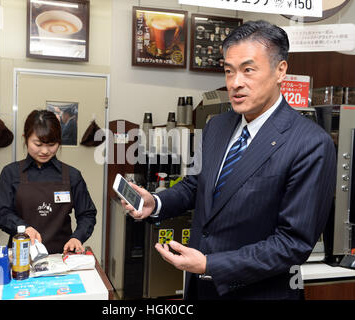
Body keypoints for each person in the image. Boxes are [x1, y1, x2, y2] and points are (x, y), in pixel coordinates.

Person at [122, 20, 337, 300]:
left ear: (280, 70)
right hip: (201, 289)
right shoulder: (217, 126)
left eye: (248, 70)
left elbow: (292, 243)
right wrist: (156, 202)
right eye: (228, 71)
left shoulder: (310, 143)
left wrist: (211, 264)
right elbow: (196, 186)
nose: (235, 83)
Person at [0, 110, 96, 254]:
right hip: (22, 257)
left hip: (62, 256)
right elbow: (3, 213)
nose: (45, 151)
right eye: (38, 144)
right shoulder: (10, 173)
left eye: (51, 144)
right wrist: (24, 228)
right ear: (25, 138)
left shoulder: (72, 175)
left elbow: (87, 214)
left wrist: (77, 238)